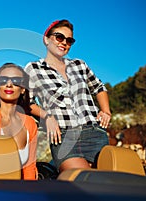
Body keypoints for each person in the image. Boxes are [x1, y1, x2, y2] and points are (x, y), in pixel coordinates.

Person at [24, 19, 111, 173]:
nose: (64, 42)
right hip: (63, 136)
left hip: (94, 133)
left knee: (106, 186)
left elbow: (99, 87)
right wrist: (47, 117)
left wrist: (106, 111)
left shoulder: (79, 65)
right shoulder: (33, 69)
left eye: (69, 40)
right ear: (46, 39)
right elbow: (26, 102)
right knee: (82, 181)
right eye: (59, 37)